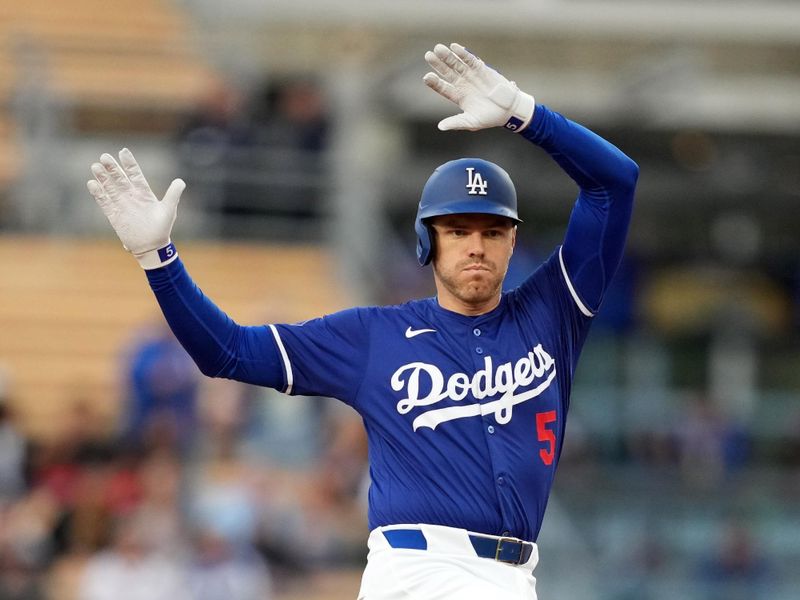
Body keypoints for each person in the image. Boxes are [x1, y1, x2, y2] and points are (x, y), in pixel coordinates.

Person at [87, 43, 638, 600]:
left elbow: (615, 183)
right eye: (458, 230)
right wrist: (159, 259)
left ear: (512, 240)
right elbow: (226, 351)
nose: (476, 246)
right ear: (428, 241)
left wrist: (525, 113)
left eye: (492, 231)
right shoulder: (375, 337)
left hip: (513, 579)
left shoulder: (553, 312)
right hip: (416, 573)